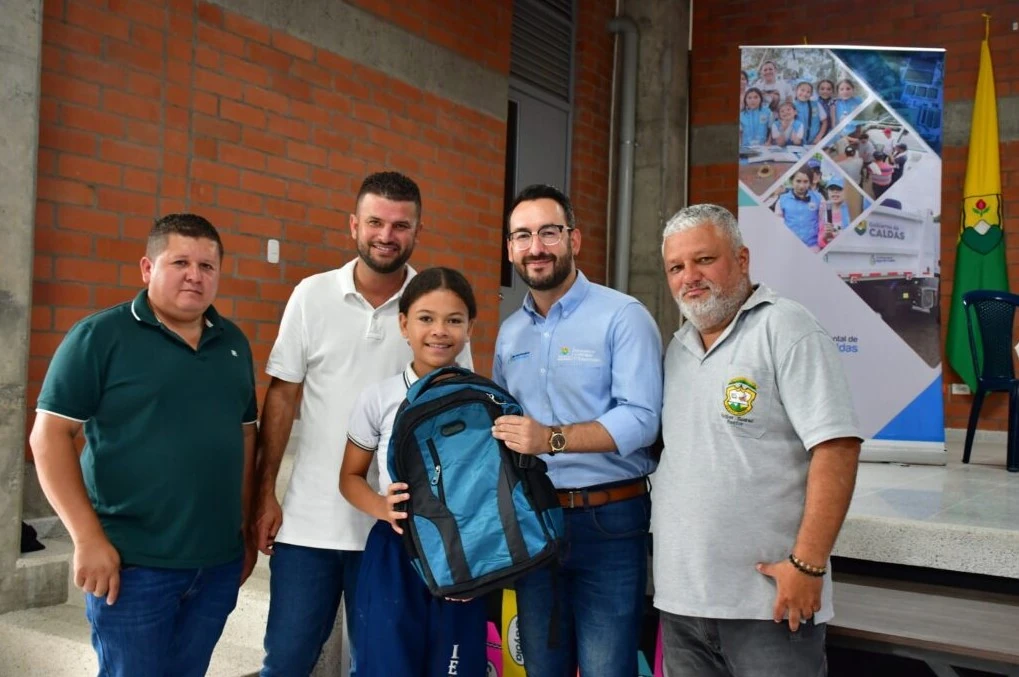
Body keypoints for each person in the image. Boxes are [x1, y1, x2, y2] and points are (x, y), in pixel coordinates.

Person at [253, 172, 472, 676]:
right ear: (354, 224)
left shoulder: (434, 311)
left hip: (400, 533)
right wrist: (265, 493)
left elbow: (459, 426)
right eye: (375, 221)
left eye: (401, 225)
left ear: (418, 231)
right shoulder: (311, 295)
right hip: (310, 525)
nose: (386, 235)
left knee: (380, 667)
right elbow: (282, 397)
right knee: (285, 662)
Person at [30, 214, 258, 677]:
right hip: (132, 567)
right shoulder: (100, 337)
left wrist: (245, 528)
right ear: (147, 268)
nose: (196, 275)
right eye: (180, 262)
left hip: (216, 564)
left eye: (208, 266)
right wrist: (86, 538)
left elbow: (244, 436)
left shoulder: (232, 342)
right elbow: (48, 436)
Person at [654, 203, 861, 677]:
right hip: (683, 605)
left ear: (742, 260)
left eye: (704, 260)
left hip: (769, 608)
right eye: (676, 267)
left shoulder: (786, 328)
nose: (690, 277)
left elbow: (837, 448)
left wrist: (808, 566)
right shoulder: (677, 349)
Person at [491, 184, 663, 676]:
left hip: (609, 520)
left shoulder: (622, 316)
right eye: (522, 235)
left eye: (549, 232)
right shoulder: (510, 333)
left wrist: (552, 438)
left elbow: (642, 418)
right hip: (536, 521)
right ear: (509, 249)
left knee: (607, 668)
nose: (536, 247)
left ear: (575, 239)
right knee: (542, 666)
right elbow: (505, 428)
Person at [339, 267, 487, 676]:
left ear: (470, 327)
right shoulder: (379, 398)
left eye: (454, 320)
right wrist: (383, 507)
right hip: (395, 551)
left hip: (463, 554)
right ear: (403, 324)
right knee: (385, 666)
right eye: (426, 318)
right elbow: (350, 477)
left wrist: (474, 562)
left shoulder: (483, 401)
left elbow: (493, 491)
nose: (439, 331)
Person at [774, 168, 823, 249]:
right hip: (789, 247)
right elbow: (778, 225)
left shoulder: (819, 198)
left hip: (813, 247)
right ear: (791, 181)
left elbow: (823, 221)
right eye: (798, 181)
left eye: (805, 181)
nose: (802, 186)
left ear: (810, 182)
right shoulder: (782, 200)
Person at [818, 177, 851, 248]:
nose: (835, 192)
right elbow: (820, 240)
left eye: (839, 189)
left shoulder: (851, 210)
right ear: (828, 191)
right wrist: (825, 237)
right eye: (832, 189)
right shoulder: (823, 210)